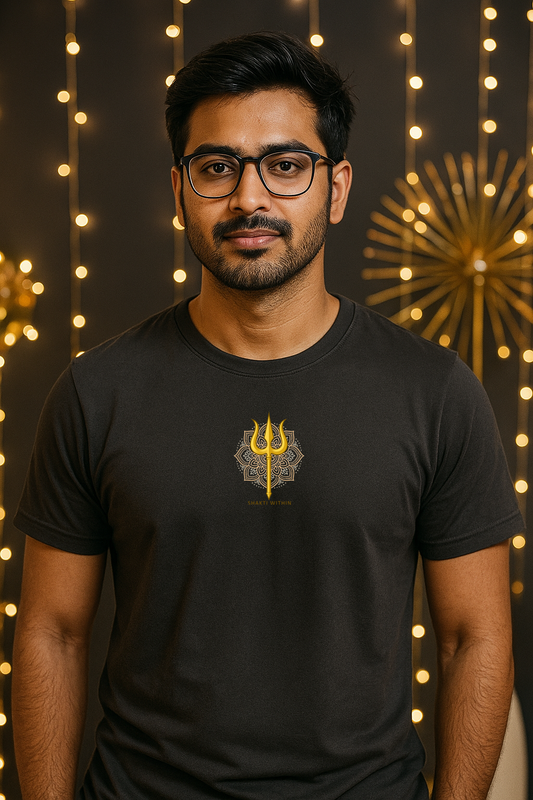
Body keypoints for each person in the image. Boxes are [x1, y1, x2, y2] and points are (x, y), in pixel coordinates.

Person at [12, 30, 522, 800]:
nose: (249, 197)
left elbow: (472, 637)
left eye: (285, 166)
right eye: (217, 167)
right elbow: (52, 633)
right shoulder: (96, 392)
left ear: (336, 188)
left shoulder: (435, 391)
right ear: (179, 190)